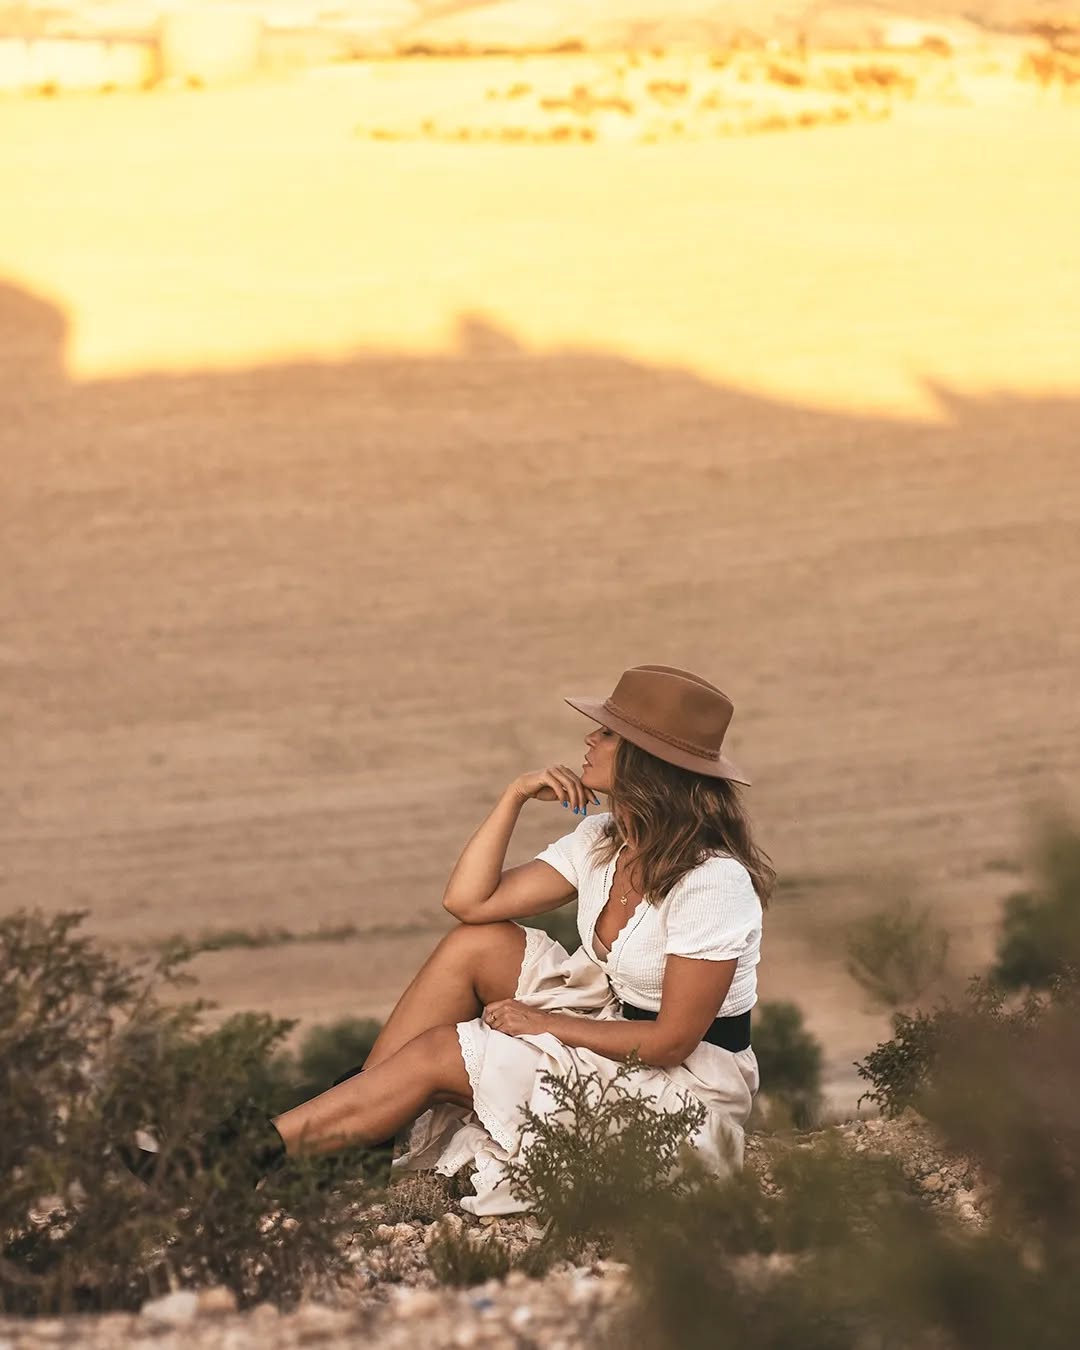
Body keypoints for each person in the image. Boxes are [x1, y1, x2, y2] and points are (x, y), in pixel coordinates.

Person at [119, 665, 771, 1212]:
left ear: (646, 764)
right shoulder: (604, 841)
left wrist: (537, 1022)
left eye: (607, 731)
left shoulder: (712, 884)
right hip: (611, 1025)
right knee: (475, 944)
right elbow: (468, 901)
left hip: (680, 1090)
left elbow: (669, 1042)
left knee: (442, 1051)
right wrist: (514, 796)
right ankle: (353, 1132)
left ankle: (225, 1169)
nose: (589, 738)